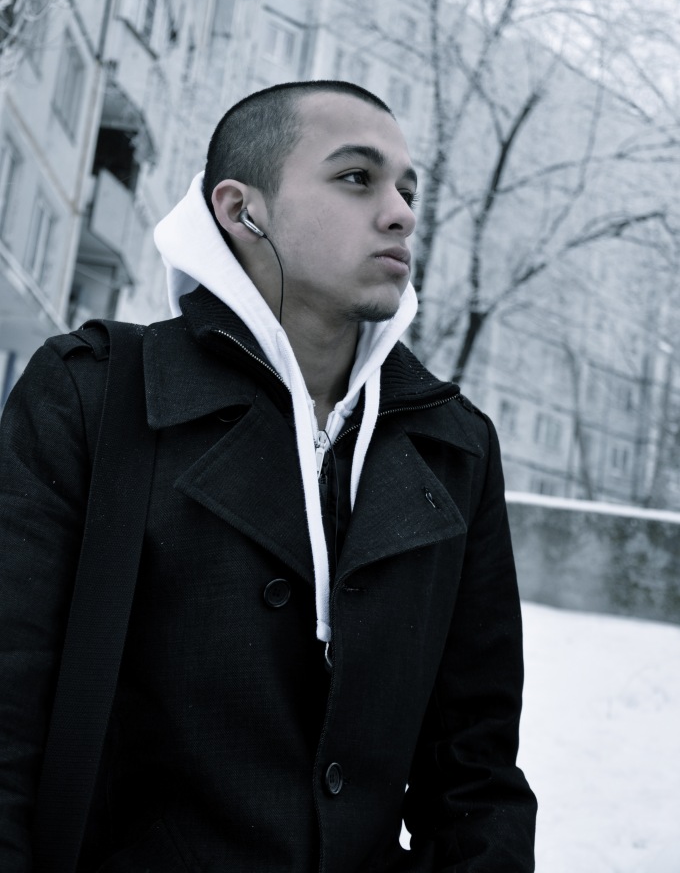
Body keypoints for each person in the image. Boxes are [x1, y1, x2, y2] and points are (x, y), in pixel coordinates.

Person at [0, 80, 537, 871]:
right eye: (356, 178)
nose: (400, 213)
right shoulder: (97, 395)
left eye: (408, 190)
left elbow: (476, 772)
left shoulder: (454, 446)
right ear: (241, 209)